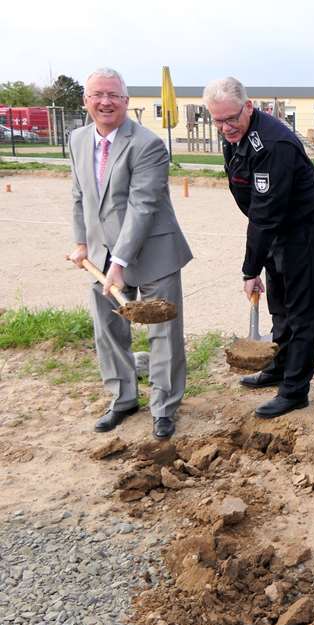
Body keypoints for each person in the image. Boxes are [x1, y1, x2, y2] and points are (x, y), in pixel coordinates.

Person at [66, 67, 193, 440]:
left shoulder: (148, 145)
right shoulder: (76, 140)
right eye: (97, 95)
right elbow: (79, 197)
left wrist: (118, 264)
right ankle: (122, 398)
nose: (105, 102)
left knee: (162, 332)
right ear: (86, 101)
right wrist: (82, 244)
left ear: (126, 101)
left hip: (153, 253)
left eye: (113, 95)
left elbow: (142, 206)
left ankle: (164, 407)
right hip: (101, 254)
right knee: (108, 330)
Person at [203, 77, 314, 419]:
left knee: (302, 309)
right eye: (218, 120)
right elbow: (258, 210)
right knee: (279, 302)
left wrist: (250, 269)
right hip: (275, 227)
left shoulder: (273, 144)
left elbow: (264, 214)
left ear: (249, 106)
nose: (226, 127)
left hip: (302, 228)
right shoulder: (237, 136)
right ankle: (278, 367)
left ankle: (294, 390)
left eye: (231, 118)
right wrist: (261, 261)